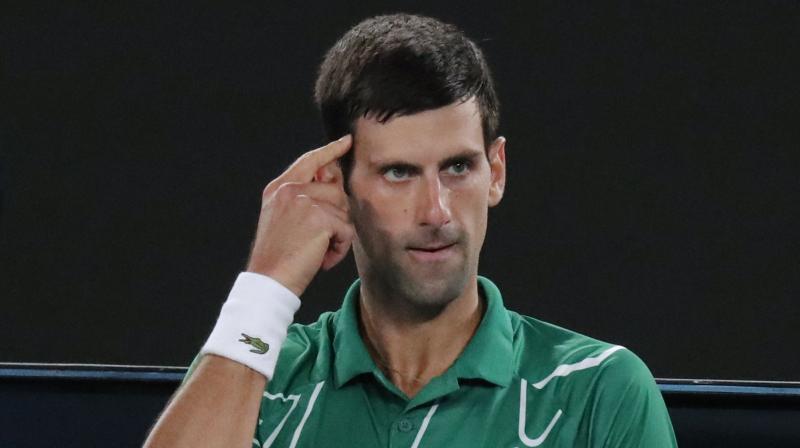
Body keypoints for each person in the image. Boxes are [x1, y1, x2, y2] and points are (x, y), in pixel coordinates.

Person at [144, 14, 677, 448]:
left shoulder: (598, 391)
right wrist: (268, 285)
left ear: (498, 171)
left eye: (459, 168)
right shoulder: (264, 379)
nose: (437, 211)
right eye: (399, 172)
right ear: (337, 185)